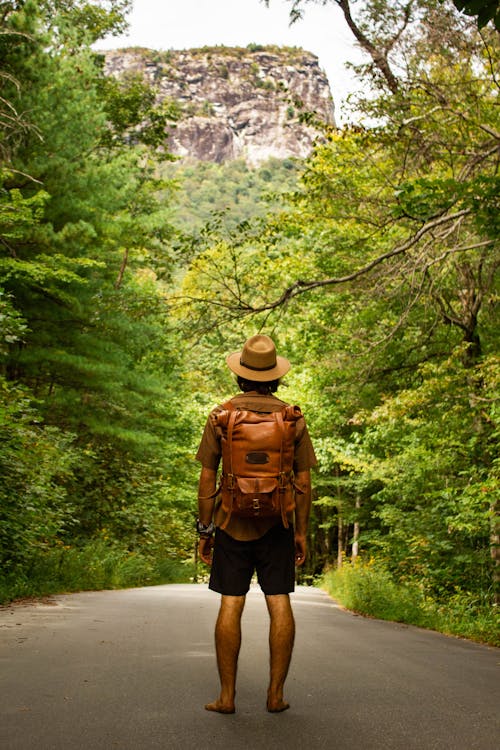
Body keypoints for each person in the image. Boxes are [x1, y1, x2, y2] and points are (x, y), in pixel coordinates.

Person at [195, 334, 316, 714]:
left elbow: (206, 478)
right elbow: (304, 483)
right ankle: (275, 695)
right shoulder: (292, 418)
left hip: (231, 521)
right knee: (279, 602)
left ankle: (227, 697)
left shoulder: (222, 415)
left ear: (240, 376)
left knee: (231, 604)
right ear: (276, 378)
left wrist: (205, 529)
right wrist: (300, 532)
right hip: (278, 522)